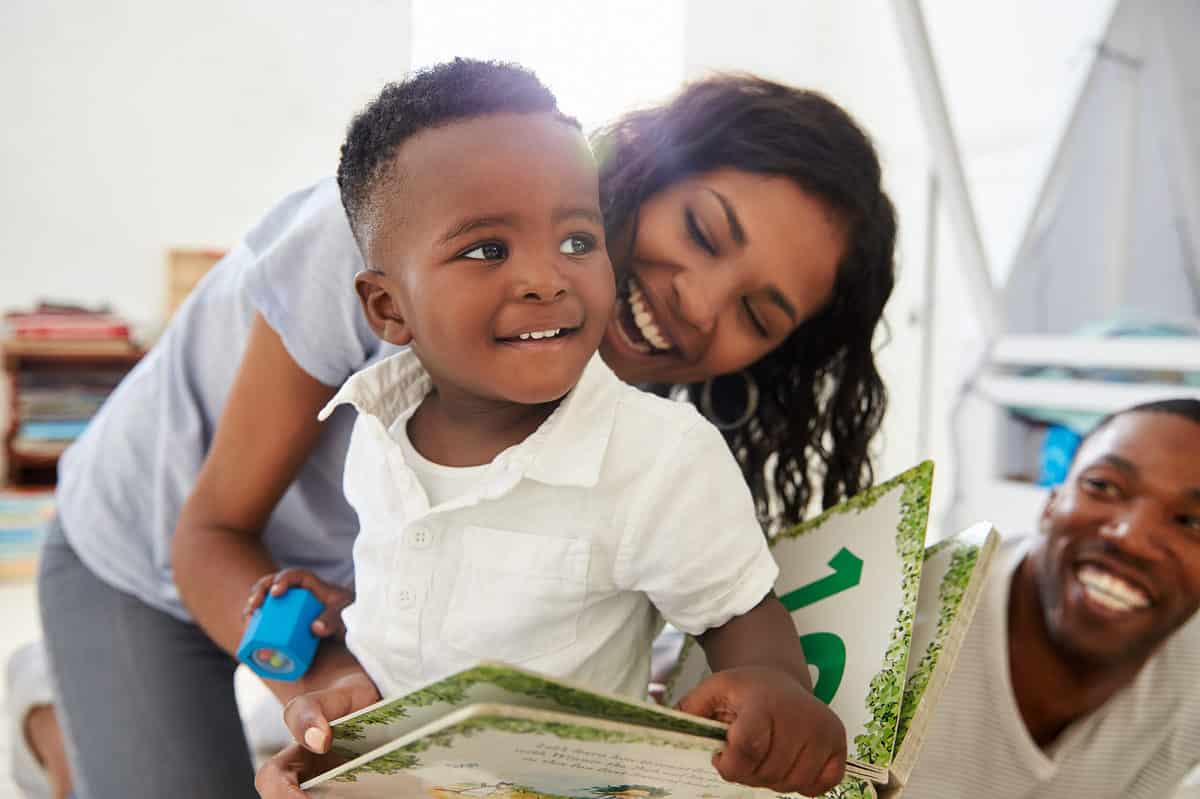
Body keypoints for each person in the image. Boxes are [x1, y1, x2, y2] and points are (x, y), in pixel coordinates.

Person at [17, 65, 896, 799]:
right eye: (701, 231)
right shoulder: (383, 235)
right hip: (153, 555)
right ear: (637, 165)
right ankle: (60, 727)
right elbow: (208, 538)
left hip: (341, 596)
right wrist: (321, 694)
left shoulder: (657, 441)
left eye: (756, 312)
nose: (697, 302)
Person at [249, 59, 846, 797]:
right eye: (487, 250)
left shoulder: (661, 457)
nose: (545, 277)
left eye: (575, 241)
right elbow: (414, 628)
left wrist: (775, 687)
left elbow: (742, 616)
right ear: (387, 308)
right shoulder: (373, 432)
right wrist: (335, 657)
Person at [903, 398, 1200, 798]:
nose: (1131, 538)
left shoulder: (1188, 684)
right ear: (1051, 502)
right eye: (1103, 486)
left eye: (1192, 523)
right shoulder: (897, 627)